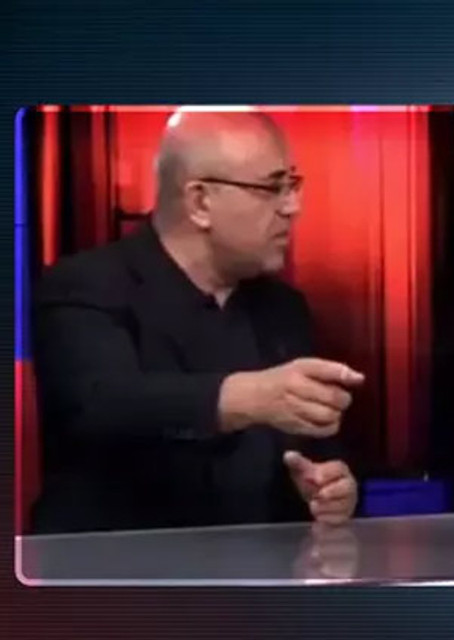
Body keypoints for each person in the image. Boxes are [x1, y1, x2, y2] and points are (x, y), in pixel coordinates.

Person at [30, 108, 365, 533]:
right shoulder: (86, 284)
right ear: (200, 202)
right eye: (273, 187)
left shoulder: (283, 308)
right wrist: (246, 397)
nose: (293, 207)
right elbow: (99, 404)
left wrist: (330, 488)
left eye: (293, 185)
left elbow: (315, 452)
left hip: (260, 568)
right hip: (114, 565)